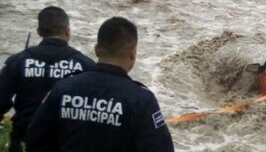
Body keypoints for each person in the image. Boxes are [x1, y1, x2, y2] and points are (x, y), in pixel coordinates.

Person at [26, 17, 174, 152]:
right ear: (133, 53)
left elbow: (35, 138)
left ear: (96, 48)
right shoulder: (142, 100)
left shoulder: (64, 87)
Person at [0, 6, 95, 152]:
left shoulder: (17, 61)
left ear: (39, 32)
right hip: (68, 143)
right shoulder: (85, 65)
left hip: (24, 142)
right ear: (68, 31)